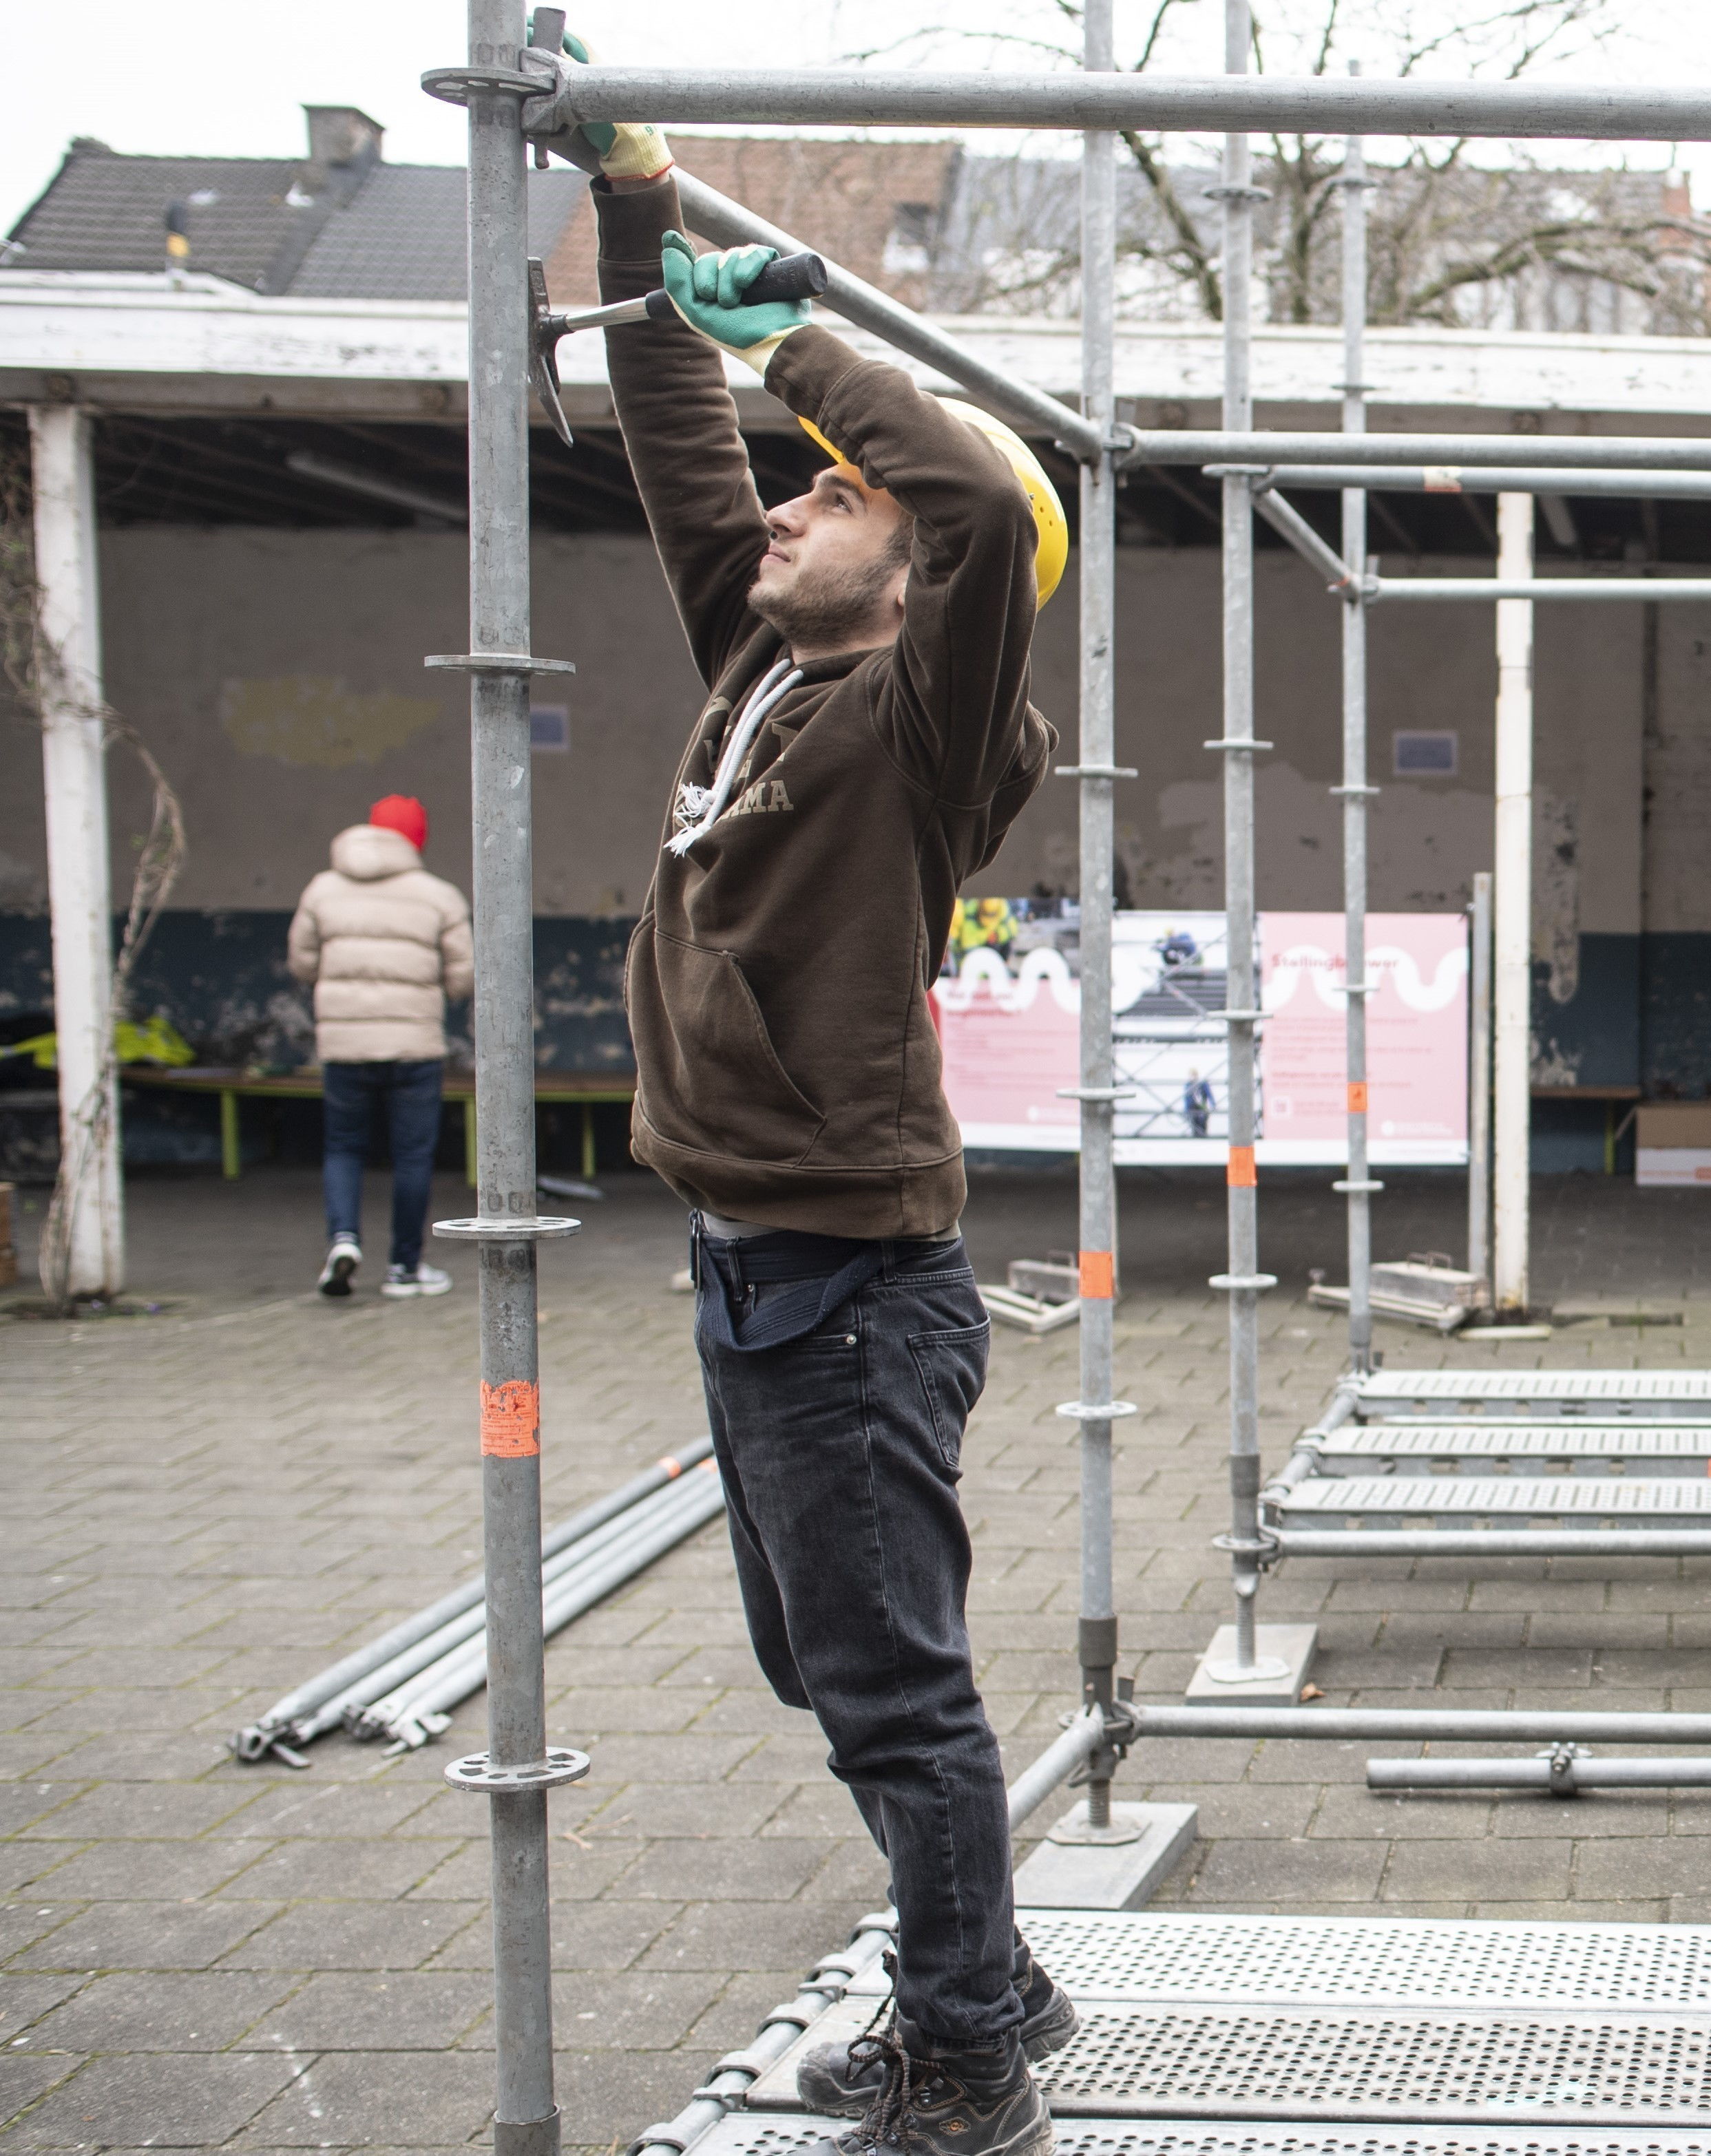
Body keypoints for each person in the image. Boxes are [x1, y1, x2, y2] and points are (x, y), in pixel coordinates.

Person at [568, 59, 1079, 2156]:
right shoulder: (758, 659)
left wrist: (792, 321)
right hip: (746, 1258)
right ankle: (989, 1971)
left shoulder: (929, 720)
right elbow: (682, 449)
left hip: (849, 1277)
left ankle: (968, 2040)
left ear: (917, 575)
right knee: (818, 1666)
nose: (788, 504)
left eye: (826, 495)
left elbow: (960, 492)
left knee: (889, 1692)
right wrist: (637, 209)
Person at [285, 792, 471, 1299]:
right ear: (417, 840)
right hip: (414, 1048)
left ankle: (344, 1241)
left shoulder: (322, 890)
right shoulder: (438, 896)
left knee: (343, 1147)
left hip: (344, 1046)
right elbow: (463, 977)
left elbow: (301, 963)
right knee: (412, 1156)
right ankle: (404, 1269)